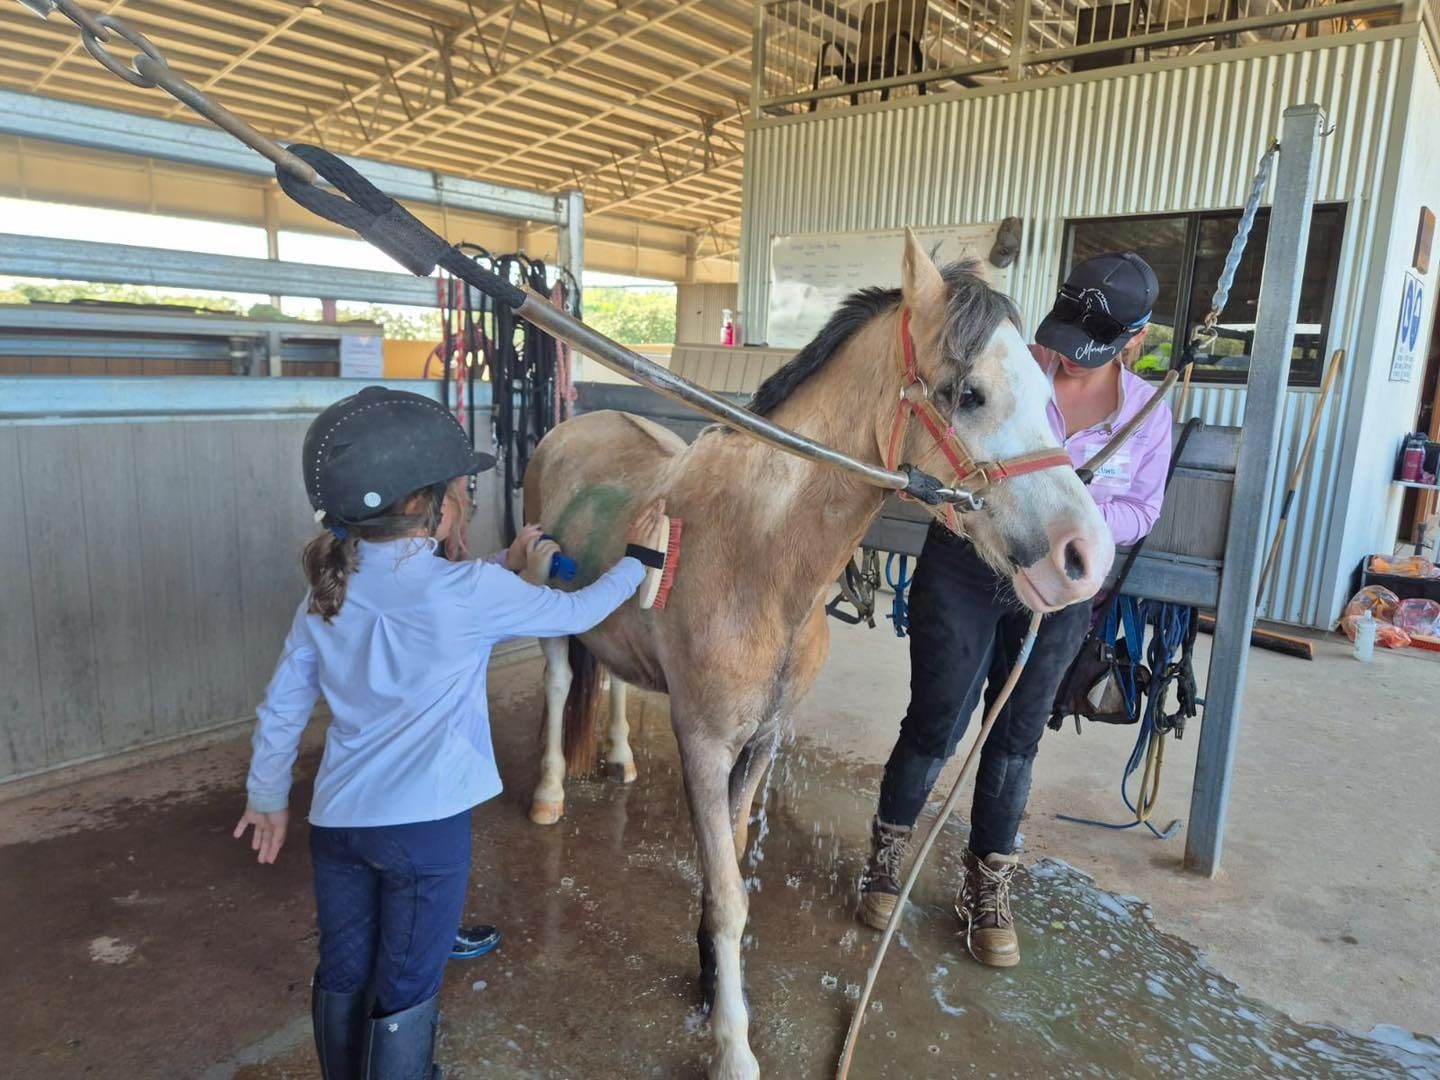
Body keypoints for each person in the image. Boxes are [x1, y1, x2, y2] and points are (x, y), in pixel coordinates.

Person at [233, 386, 665, 1079]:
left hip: (338, 825)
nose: (464, 499)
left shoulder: (326, 591)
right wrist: (639, 559)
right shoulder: (467, 595)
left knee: (344, 969)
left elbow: (283, 705)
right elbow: (577, 611)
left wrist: (266, 797)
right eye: (460, 490)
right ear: (422, 504)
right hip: (424, 834)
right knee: (408, 982)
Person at [857, 252, 1173, 968]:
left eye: (1090, 348)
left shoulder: (1148, 411)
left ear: (1133, 340)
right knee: (937, 718)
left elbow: (1142, 508)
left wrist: (1070, 513)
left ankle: (987, 885)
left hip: (1058, 583)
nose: (1067, 358)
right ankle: (886, 852)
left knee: (1016, 736)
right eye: (1064, 337)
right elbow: (943, 437)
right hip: (969, 563)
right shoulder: (1010, 363)